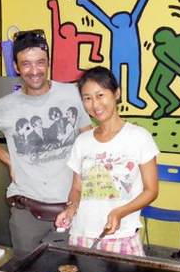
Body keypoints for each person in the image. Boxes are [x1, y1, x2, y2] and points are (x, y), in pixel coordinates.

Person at [0, 29, 92, 255]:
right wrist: (8, 160)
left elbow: (89, 139)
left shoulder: (72, 94)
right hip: (26, 213)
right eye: (26, 64)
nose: (34, 71)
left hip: (69, 209)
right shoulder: (7, 104)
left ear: (48, 64)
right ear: (16, 67)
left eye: (40, 63)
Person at [55, 67, 159, 256]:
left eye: (100, 95)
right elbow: (77, 188)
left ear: (116, 93)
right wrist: (70, 210)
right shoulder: (83, 141)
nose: (95, 104)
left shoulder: (139, 137)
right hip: (81, 236)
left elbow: (151, 190)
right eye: (87, 98)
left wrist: (120, 212)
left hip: (121, 237)